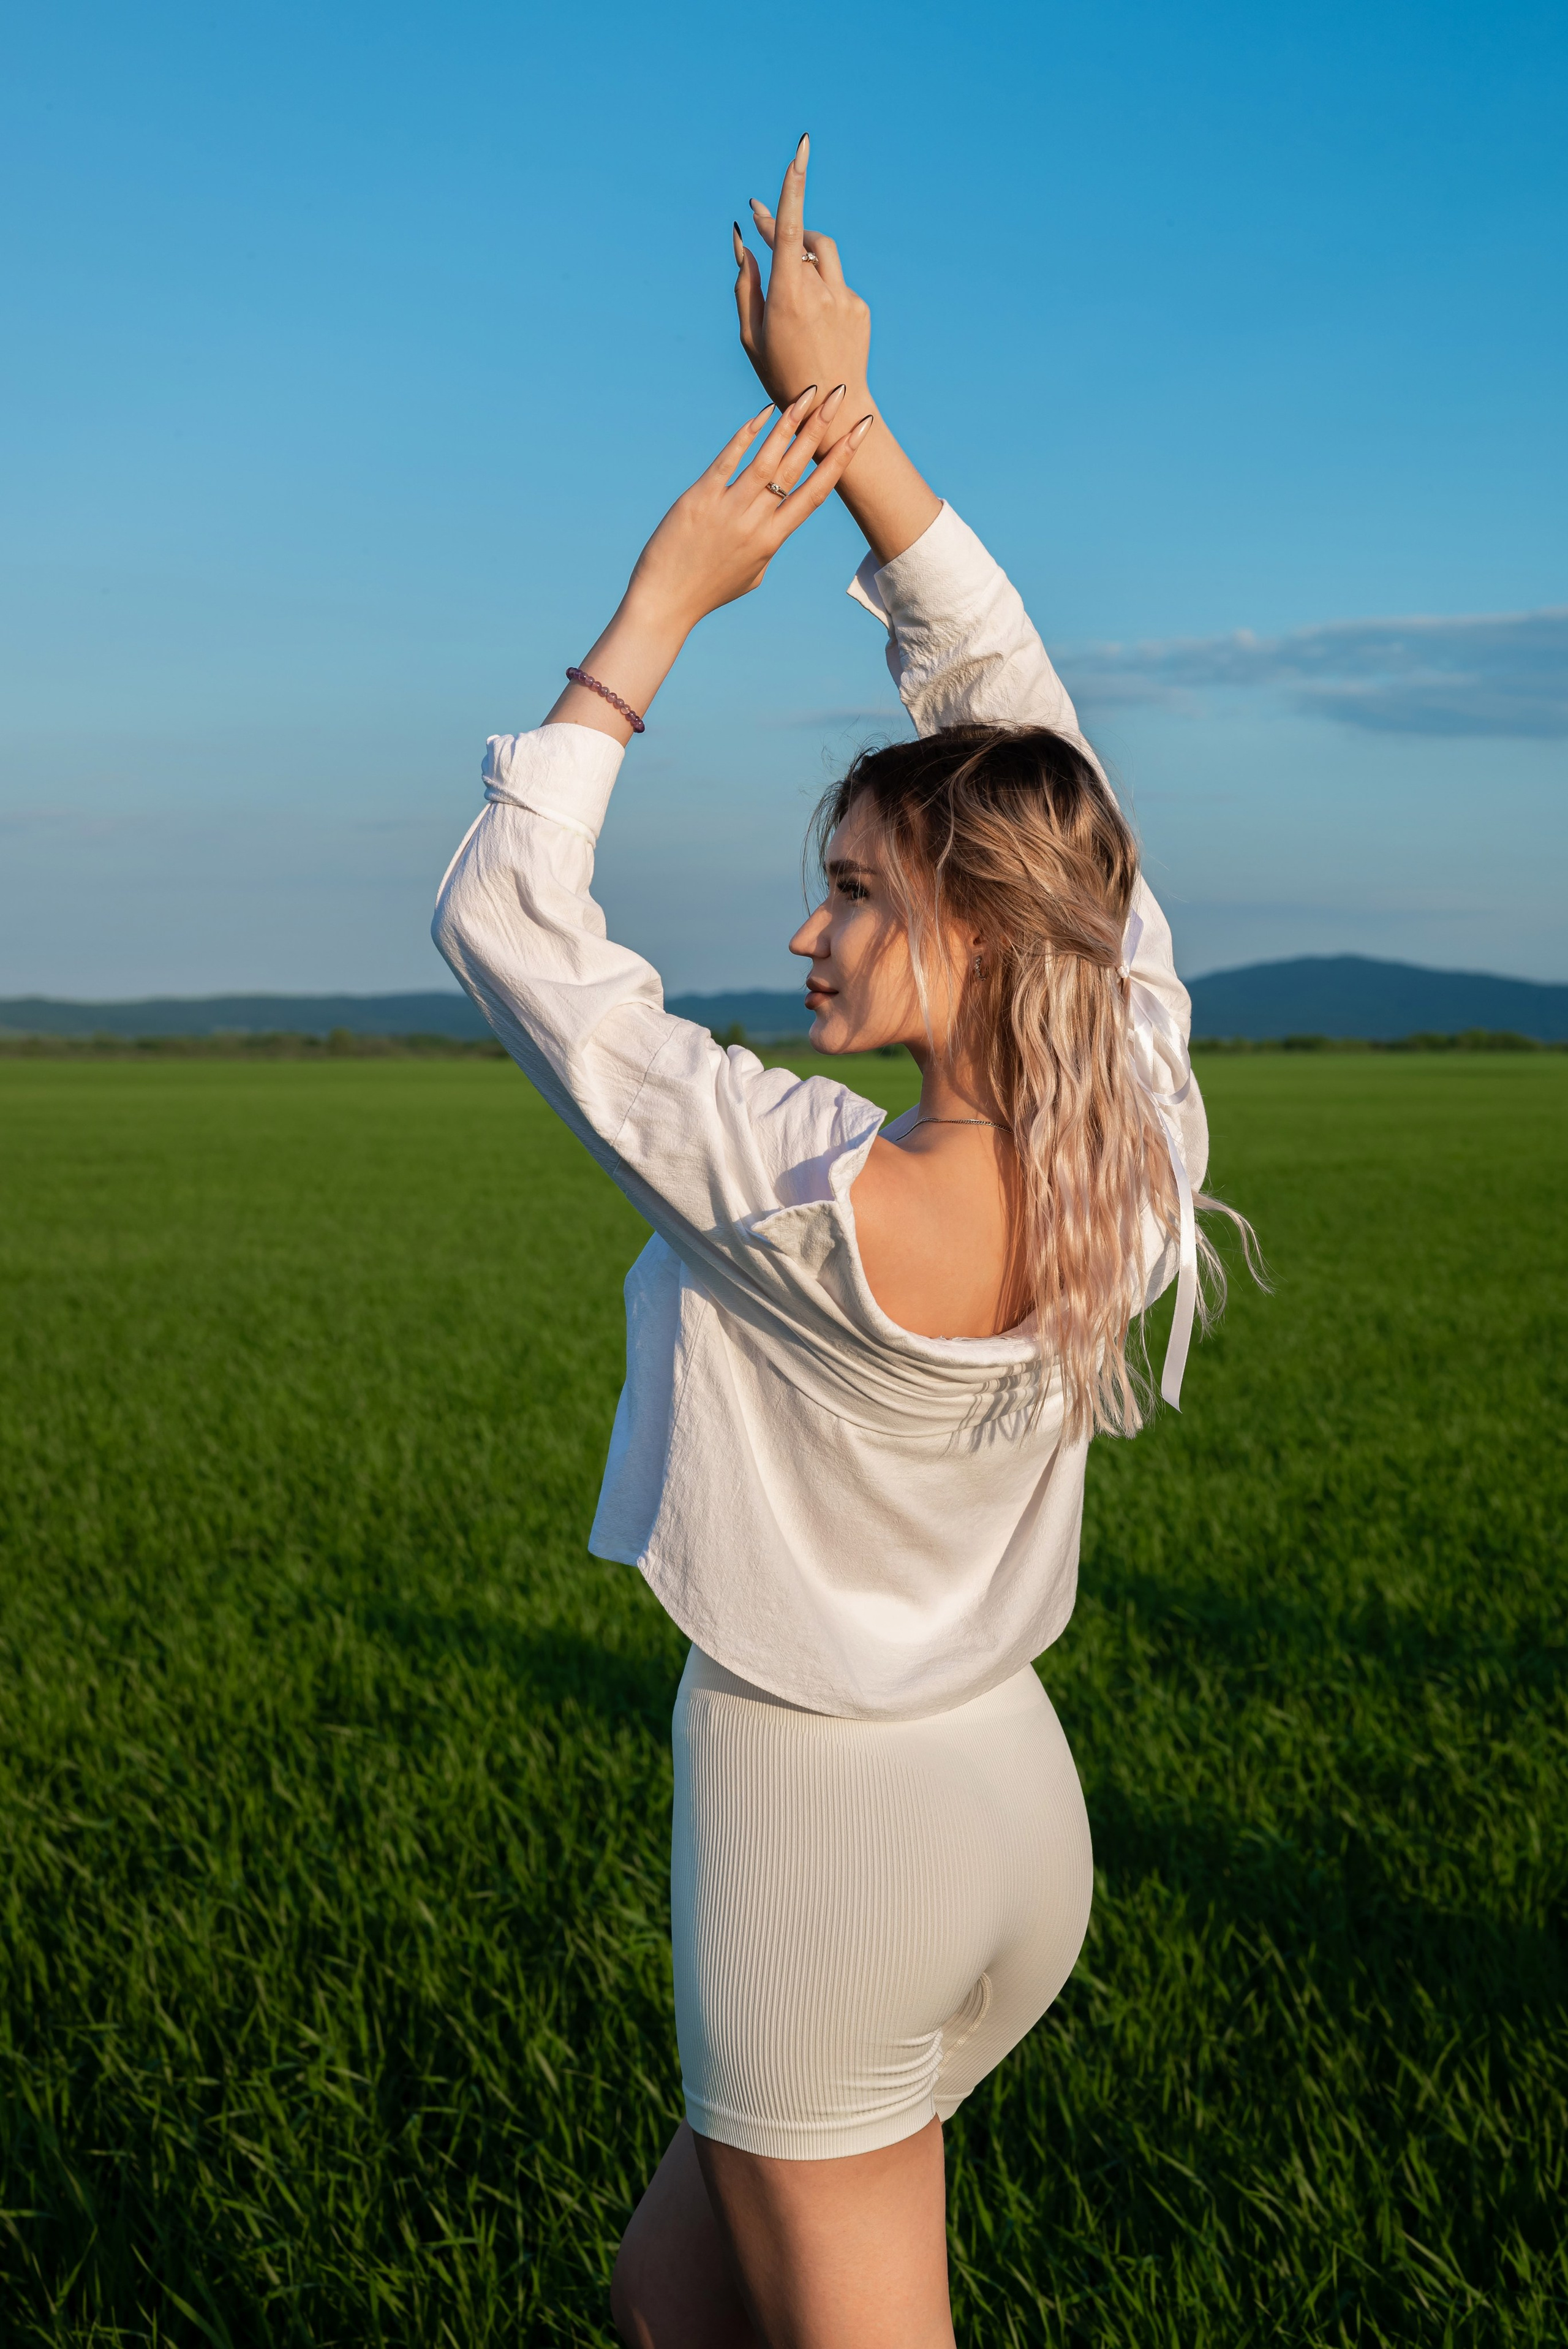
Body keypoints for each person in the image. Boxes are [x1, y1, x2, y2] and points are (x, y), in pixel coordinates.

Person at [433, 135, 1254, 2349]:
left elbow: (508, 920)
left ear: (983, 929)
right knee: (660, 2297)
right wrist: (857, 424)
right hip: (1008, 1814)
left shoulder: (801, 1193)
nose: (805, 930)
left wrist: (666, 601)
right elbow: (1038, 740)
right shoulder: (1142, 1134)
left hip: (820, 1851)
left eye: (861, 893)